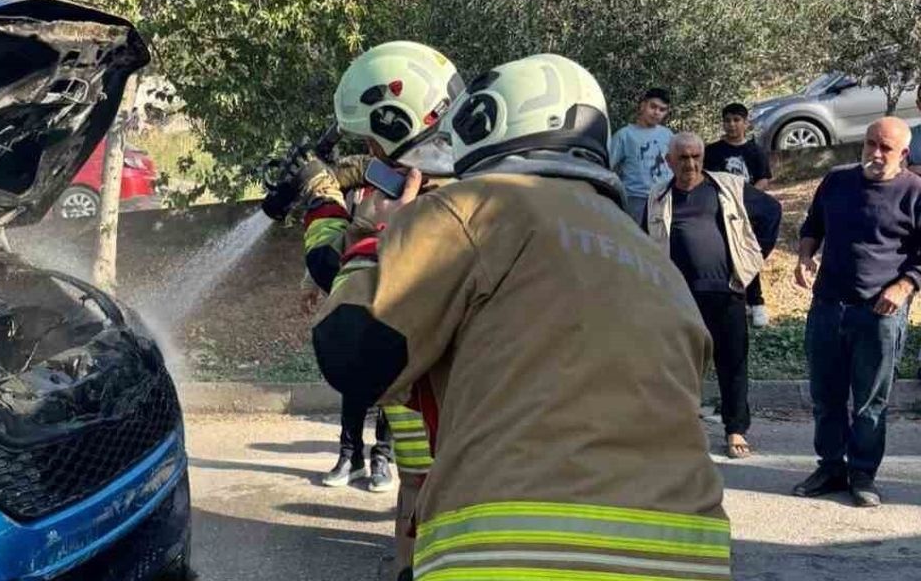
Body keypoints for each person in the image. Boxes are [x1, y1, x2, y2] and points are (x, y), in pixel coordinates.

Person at [312, 54, 730, 580]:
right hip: (691, 556)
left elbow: (351, 353)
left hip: (510, 552)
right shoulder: (652, 259)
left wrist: (375, 236)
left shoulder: (474, 206)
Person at [295, 40, 464, 577]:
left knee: (431, 489)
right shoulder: (455, 177)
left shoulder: (426, 204)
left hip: (439, 392)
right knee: (416, 485)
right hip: (431, 391)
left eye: (372, 133)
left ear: (397, 123)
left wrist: (321, 202)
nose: (368, 147)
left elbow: (344, 287)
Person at [792, 116, 921, 507]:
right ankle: (831, 467)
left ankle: (862, 473)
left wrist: (904, 286)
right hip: (828, 305)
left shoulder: (914, 191)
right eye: (870, 144)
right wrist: (804, 257)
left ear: (904, 153)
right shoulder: (837, 181)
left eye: (886, 148)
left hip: (879, 313)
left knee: (870, 401)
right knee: (826, 395)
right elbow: (813, 226)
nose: (875, 153)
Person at [646, 132, 764, 459]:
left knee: (732, 363)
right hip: (679, 298)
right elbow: (645, 241)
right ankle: (683, 428)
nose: (690, 164)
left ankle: (735, 429)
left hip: (726, 293)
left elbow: (771, 212)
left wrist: (752, 259)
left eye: (696, 156)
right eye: (683, 158)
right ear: (669, 161)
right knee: (680, 366)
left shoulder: (727, 187)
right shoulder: (658, 196)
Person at [705, 102, 774, 327]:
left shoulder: (755, 151)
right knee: (724, 255)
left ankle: (757, 302)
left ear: (746, 123)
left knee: (747, 253)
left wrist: (747, 198)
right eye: (727, 120)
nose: (732, 125)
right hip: (720, 210)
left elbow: (763, 179)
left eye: (736, 120)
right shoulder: (713, 151)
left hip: (747, 211)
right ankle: (734, 300)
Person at [610, 87, 674, 221]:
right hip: (636, 198)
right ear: (643, 105)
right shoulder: (625, 135)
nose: (656, 112)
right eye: (653, 107)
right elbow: (608, 166)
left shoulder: (668, 135)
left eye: (662, 110)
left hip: (664, 198)